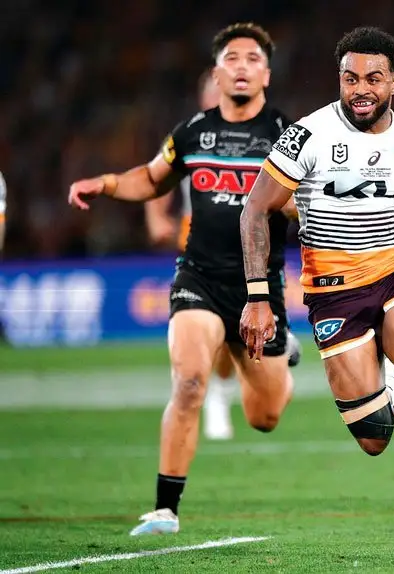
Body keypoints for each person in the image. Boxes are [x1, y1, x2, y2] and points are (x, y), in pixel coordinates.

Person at [238, 26, 394, 564]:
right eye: (350, 77)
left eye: (373, 78)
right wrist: (259, 297)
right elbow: (256, 209)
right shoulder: (306, 137)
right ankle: (389, 370)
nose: (360, 88)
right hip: (333, 294)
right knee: (375, 437)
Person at [68, 22, 298, 536]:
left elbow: (309, 208)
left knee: (265, 417)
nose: (241, 66)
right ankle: (165, 509)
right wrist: (105, 183)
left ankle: (284, 362)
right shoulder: (193, 131)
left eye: (252, 59)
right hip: (198, 277)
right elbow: (152, 178)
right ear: (216, 73)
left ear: (267, 72)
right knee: (190, 381)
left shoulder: (289, 135)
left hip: (260, 290)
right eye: (231, 59)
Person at [142, 68, 294, 441]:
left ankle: (241, 380)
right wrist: (156, 217)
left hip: (254, 253)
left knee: (234, 344)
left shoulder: (265, 135)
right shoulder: (195, 133)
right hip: (200, 247)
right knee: (208, 330)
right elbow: (158, 177)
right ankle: (214, 399)